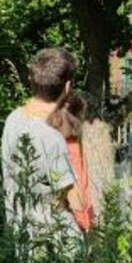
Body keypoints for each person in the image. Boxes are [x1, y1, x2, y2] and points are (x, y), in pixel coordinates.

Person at [1, 47, 88, 252]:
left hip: (21, 235)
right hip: (55, 244)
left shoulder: (13, 119)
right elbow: (77, 202)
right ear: (67, 87)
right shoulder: (52, 138)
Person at [47, 94, 95, 233]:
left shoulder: (69, 147)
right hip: (74, 218)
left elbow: (79, 189)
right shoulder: (70, 147)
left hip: (74, 218)